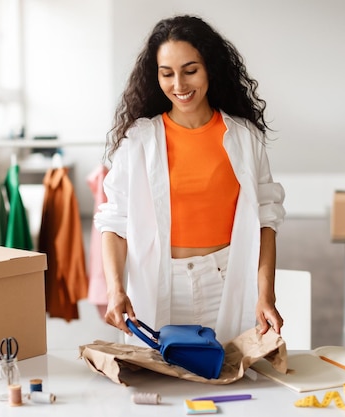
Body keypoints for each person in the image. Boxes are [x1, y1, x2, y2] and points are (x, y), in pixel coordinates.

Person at [94, 15, 286, 344]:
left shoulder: (243, 137)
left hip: (226, 281)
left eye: (190, 70)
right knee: (161, 385)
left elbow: (266, 220)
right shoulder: (140, 140)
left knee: (229, 377)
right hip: (158, 283)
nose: (179, 86)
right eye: (167, 74)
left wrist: (265, 294)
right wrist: (115, 289)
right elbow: (114, 222)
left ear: (210, 66)